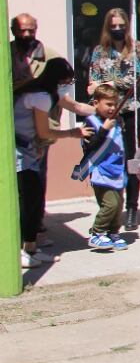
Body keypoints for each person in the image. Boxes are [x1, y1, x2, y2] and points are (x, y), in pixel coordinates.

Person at [15, 58, 83, 268]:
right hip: (20, 153)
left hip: (30, 150)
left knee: (34, 202)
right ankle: (21, 251)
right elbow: (44, 131)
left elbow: (77, 106)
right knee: (27, 203)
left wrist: (101, 111)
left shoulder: (44, 92)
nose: (67, 86)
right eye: (66, 82)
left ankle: (31, 248)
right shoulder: (40, 96)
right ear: (57, 79)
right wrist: (72, 132)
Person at [87, 8, 140, 231]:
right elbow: (93, 82)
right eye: (113, 26)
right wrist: (107, 86)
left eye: (120, 26)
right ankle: (111, 206)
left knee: (130, 159)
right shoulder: (99, 51)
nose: (117, 30)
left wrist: (110, 84)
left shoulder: (139, 49)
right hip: (108, 113)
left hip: (132, 111)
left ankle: (131, 207)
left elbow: (137, 80)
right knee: (107, 157)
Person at [72, 85, 129, 252]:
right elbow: (91, 145)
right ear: (96, 103)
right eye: (108, 104)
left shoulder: (118, 121)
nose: (112, 108)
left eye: (115, 104)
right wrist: (104, 130)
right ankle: (97, 232)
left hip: (117, 170)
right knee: (110, 204)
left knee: (119, 205)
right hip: (100, 171)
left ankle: (113, 232)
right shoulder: (91, 122)